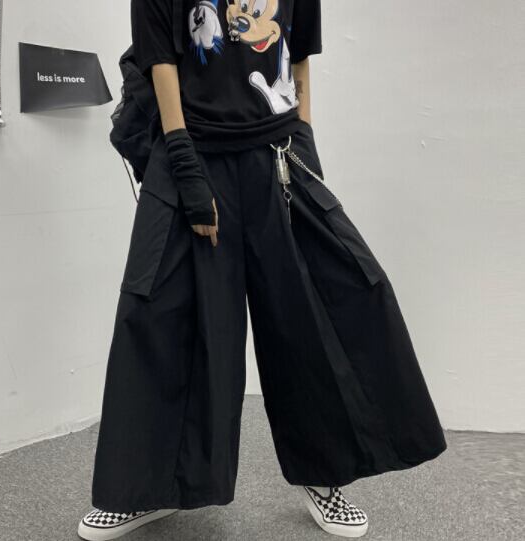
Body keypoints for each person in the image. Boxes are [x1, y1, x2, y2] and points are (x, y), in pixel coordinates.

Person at [78, 1, 447, 539]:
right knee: (161, 316)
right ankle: (144, 489)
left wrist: (305, 139)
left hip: (277, 154)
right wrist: (184, 166)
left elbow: (298, 57)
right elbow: (160, 62)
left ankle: (325, 473)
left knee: (312, 315)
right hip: (193, 151)